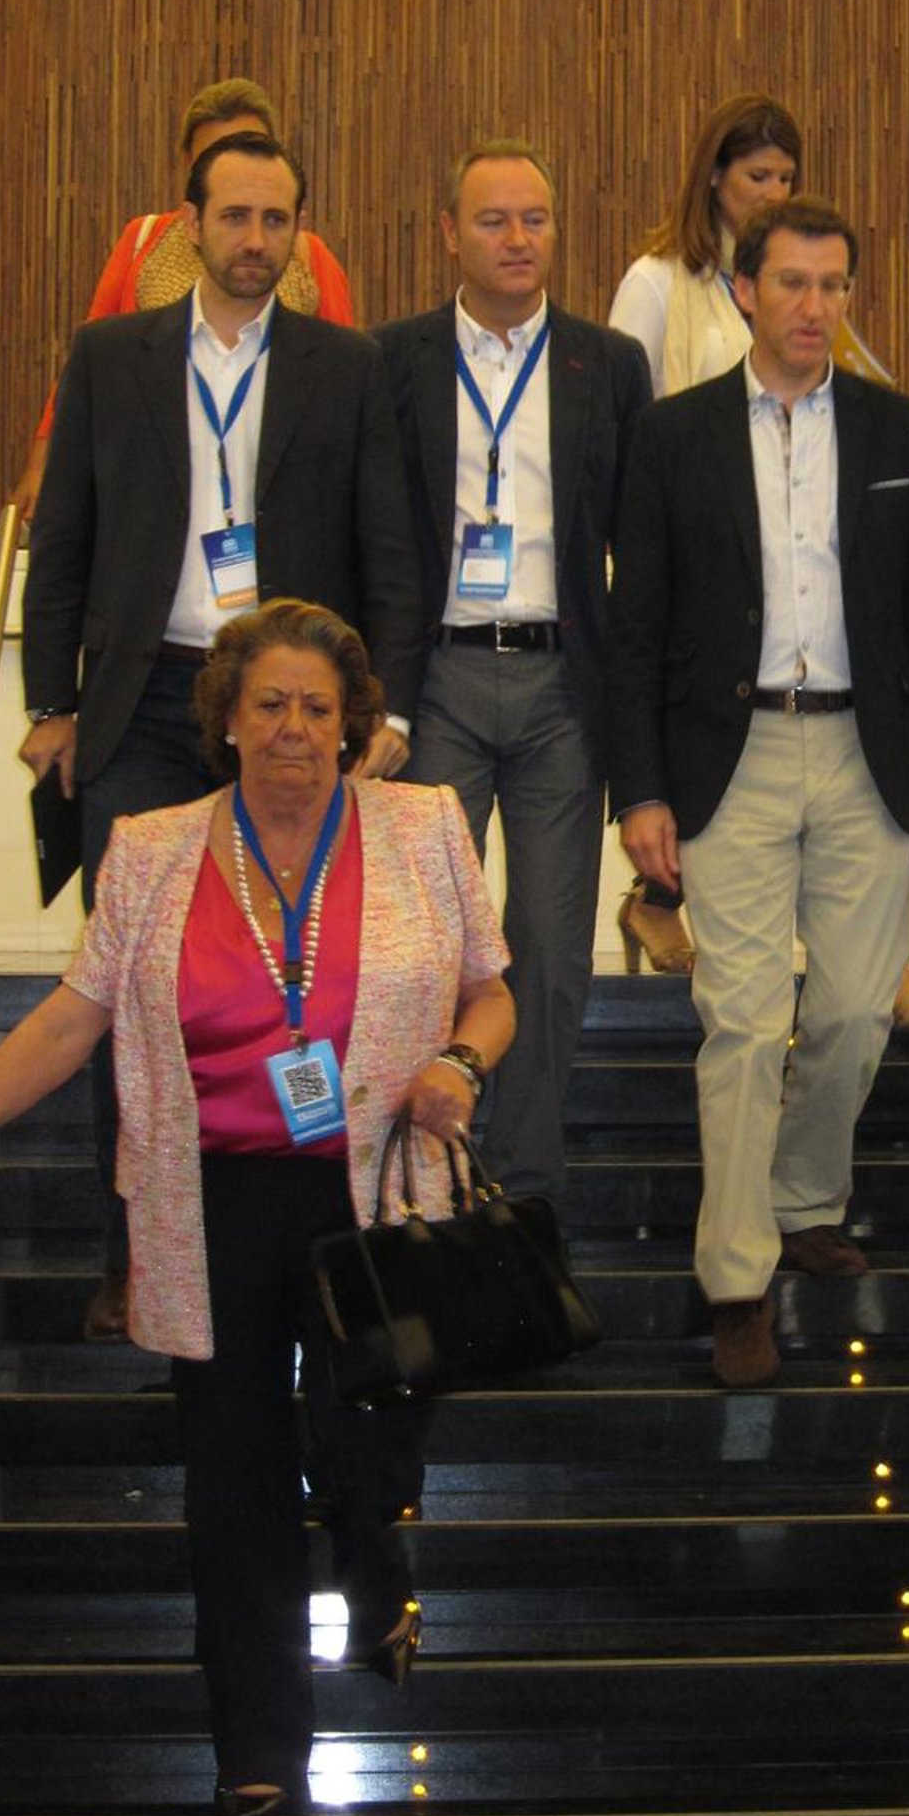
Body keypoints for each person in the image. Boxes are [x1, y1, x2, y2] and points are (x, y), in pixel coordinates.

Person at [0, 599, 512, 1816]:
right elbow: (73, 1017)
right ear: (224, 720)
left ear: (351, 726)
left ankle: (375, 1559)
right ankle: (257, 1744)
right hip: (211, 1200)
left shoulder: (424, 824)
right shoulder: (152, 847)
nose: (293, 728)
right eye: (269, 704)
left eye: (317, 707)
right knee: (234, 1477)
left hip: (375, 1191)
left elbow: (492, 988)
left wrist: (461, 1063)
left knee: (366, 1444)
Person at [20, 130, 420, 1340]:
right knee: (129, 987)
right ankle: (130, 1254)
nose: (256, 239)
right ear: (190, 223)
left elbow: (389, 553)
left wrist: (382, 710)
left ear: (300, 235)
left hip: (292, 714)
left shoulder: (346, 366)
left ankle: (310, 1248)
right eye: (236, 216)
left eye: (276, 219)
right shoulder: (112, 356)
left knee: (296, 984)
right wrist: (50, 705)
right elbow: (65, 538)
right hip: (145, 705)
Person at [608, 196, 909, 1388]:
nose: (815, 307)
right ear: (746, 291)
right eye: (792, 283)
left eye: (835, 286)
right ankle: (736, 1278)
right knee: (743, 1016)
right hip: (732, 755)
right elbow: (636, 629)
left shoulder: (897, 429)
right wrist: (640, 790)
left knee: (858, 1010)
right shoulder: (673, 436)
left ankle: (807, 1194)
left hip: (866, 751)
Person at [608, 95, 909, 1022]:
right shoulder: (658, 281)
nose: (773, 191)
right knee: (745, 1021)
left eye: (787, 177)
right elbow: (628, 420)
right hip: (703, 567)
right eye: (758, 175)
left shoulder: (837, 339)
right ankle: (661, 902)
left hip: (828, 664)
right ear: (714, 176)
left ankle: (865, 973)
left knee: (849, 1010)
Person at [375, 140, 651, 1219]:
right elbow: (374, 538)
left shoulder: (607, 364)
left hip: (560, 687)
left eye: (535, 218)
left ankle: (524, 1186)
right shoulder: (391, 360)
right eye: (494, 220)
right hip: (435, 682)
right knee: (424, 945)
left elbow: (640, 548)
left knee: (549, 944)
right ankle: (420, 1177)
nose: (518, 238)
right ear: (451, 233)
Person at [11, 79, 356, 517]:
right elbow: (86, 370)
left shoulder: (309, 256)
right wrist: (43, 460)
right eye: (216, 156)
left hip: (273, 487)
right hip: (148, 478)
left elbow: (345, 389)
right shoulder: (142, 240)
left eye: (248, 148)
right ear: (189, 169)